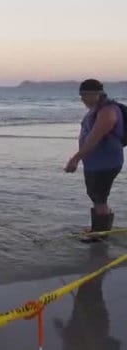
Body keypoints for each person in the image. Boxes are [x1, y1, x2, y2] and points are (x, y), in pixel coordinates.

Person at [65, 79, 125, 242]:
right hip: (96, 162)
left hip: (105, 162)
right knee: (96, 195)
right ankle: (98, 231)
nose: (82, 99)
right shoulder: (97, 109)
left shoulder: (107, 110)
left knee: (99, 196)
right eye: (81, 95)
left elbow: (94, 138)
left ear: (97, 94)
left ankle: (99, 236)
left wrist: (76, 158)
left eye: (85, 95)